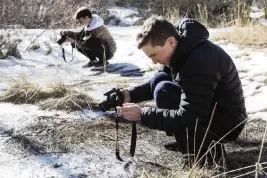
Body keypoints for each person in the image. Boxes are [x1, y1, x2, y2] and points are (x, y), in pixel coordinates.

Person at [119, 16, 247, 165]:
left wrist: (142, 114)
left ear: (171, 41)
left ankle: (207, 154)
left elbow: (189, 117)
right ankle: (191, 141)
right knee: (158, 80)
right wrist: (129, 94)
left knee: (163, 91)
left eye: (154, 55)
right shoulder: (182, 48)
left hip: (228, 123)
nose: (153, 61)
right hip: (208, 110)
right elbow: (157, 81)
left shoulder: (201, 60)